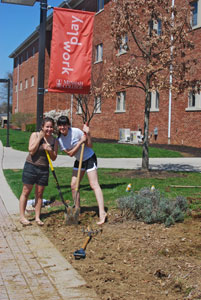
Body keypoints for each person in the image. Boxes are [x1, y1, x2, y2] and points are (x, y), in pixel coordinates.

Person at [57, 115, 107, 225]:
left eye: (64, 124)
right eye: (60, 125)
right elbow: (70, 154)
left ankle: (102, 212)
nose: (62, 127)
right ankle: (77, 210)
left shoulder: (76, 131)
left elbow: (90, 145)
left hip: (89, 158)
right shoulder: (60, 139)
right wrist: (80, 142)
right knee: (74, 185)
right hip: (79, 160)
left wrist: (88, 135)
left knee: (94, 185)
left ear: (68, 125)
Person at [19, 117, 58, 226]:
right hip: (31, 167)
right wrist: (39, 138)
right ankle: (22, 217)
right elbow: (31, 151)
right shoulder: (35, 135)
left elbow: (54, 158)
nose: (49, 129)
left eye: (51, 127)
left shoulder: (54, 140)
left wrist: (50, 150)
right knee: (26, 192)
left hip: (44, 169)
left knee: (39, 194)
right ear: (42, 127)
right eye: (47, 127)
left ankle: (37, 217)